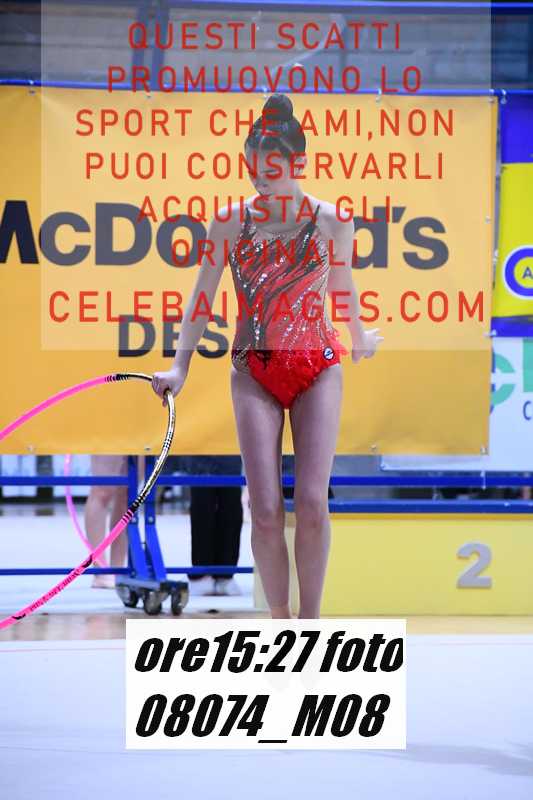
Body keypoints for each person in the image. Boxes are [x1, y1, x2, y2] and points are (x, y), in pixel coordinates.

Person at [151, 93, 383, 618]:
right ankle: (280, 623)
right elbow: (202, 296)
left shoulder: (332, 220)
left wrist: (359, 336)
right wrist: (180, 366)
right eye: (252, 170)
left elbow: (342, 286)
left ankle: (309, 624)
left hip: (316, 366)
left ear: (298, 163)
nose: (260, 180)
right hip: (254, 369)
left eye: (270, 171)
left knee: (313, 503)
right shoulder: (229, 222)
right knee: (264, 509)